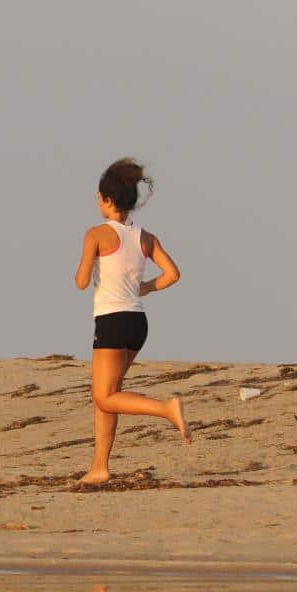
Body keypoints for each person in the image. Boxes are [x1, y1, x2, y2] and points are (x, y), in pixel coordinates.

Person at [73, 157, 190, 485]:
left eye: (98, 197)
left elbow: (82, 282)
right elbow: (172, 274)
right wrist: (147, 287)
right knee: (108, 393)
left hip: (111, 321)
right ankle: (99, 466)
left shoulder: (96, 234)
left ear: (107, 200)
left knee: (104, 396)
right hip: (137, 323)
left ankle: (167, 409)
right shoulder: (145, 237)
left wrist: (87, 265)